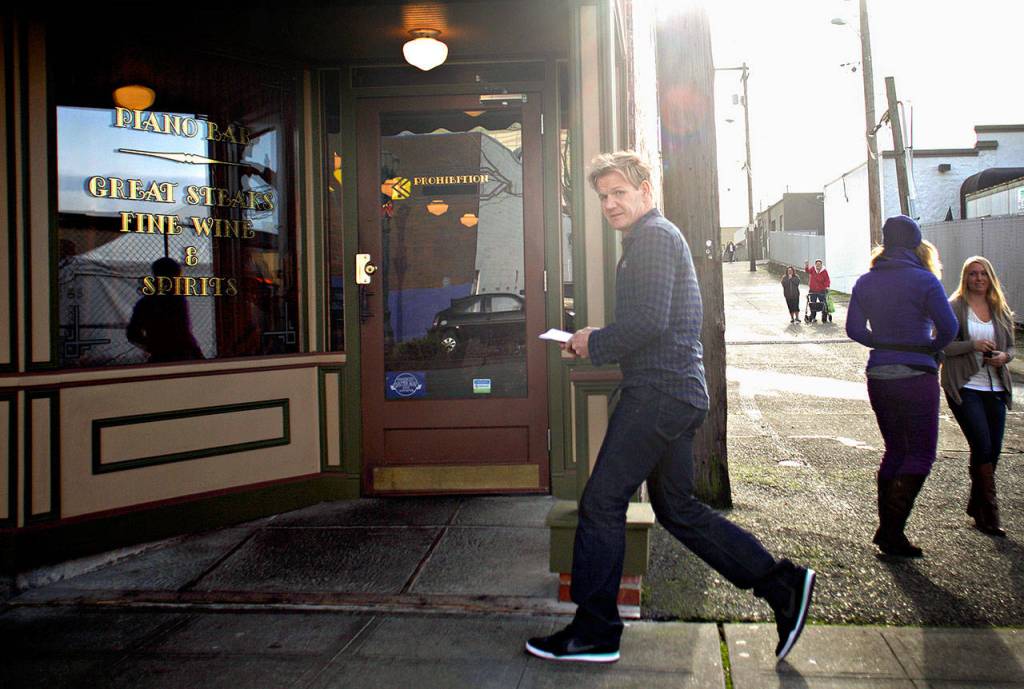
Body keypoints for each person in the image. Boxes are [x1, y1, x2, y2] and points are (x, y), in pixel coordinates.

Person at [526, 151, 815, 664]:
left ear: (645, 192)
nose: (611, 203)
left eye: (619, 192)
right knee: (678, 510)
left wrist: (594, 341)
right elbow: (649, 322)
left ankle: (594, 630)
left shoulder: (654, 238)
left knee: (602, 502)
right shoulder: (647, 239)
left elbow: (649, 323)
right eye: (603, 197)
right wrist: (597, 340)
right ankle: (781, 584)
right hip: (674, 392)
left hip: (659, 393)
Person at [845, 216, 958, 557]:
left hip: (879, 374)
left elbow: (853, 329)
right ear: (915, 244)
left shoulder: (866, 281)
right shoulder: (925, 281)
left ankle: (889, 530)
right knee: (921, 453)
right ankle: (891, 531)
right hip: (917, 375)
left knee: (895, 449)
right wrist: (928, 347)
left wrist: (882, 340)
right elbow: (949, 328)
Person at [941, 256, 1015, 537]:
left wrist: (1004, 356)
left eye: (983, 274)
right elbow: (943, 344)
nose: (979, 278)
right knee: (982, 445)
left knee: (993, 449)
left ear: (990, 277)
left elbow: (1010, 348)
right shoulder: (954, 307)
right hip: (965, 386)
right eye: (973, 274)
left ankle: (977, 502)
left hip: (994, 387)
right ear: (965, 278)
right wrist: (973, 344)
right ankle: (988, 513)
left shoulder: (999, 308)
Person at [127, 257, 204, 363]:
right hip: (182, 355)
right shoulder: (176, 300)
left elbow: (133, 333)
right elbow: (183, 333)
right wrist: (198, 356)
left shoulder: (145, 303)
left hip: (161, 356)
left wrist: (154, 347)